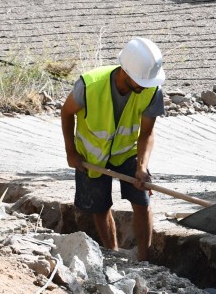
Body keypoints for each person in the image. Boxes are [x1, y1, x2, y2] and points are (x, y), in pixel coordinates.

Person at [61, 36, 166, 262]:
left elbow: (147, 133)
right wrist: (71, 152)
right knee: (100, 206)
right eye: (141, 82)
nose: (146, 86)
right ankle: (114, 253)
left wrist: (142, 167)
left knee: (142, 200)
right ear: (125, 72)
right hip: (92, 155)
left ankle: (144, 261)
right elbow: (67, 113)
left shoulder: (151, 89)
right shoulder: (89, 85)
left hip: (127, 151)